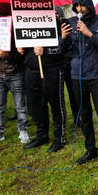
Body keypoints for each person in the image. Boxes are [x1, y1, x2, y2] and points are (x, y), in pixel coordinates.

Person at [59, 0, 98, 165]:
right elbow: (63, 51)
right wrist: (63, 38)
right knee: (84, 115)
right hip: (77, 76)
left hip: (96, 74)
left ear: (89, 4)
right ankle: (91, 149)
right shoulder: (71, 22)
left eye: (82, 5)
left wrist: (89, 34)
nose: (79, 9)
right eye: (76, 6)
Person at [21, 8, 67, 153]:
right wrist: (20, 47)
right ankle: (42, 135)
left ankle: (59, 138)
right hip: (31, 71)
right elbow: (25, 47)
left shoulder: (61, 25)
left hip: (52, 70)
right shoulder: (28, 24)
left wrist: (46, 51)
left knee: (56, 105)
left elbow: (66, 48)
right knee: (37, 106)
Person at [0, 2, 29, 146]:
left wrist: (6, 55)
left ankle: (23, 130)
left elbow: (22, 56)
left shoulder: (17, 32)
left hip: (14, 74)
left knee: (20, 106)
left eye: (1, 15)